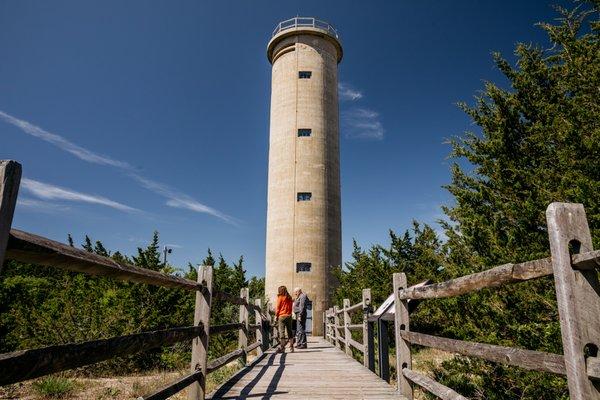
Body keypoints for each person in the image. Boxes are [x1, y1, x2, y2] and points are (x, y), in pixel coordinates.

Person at [275, 285, 294, 353]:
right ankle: (292, 347)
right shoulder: (289, 298)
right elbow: (291, 307)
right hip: (289, 316)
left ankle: (282, 347)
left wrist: (276, 316)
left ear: (280, 291)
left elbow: (278, 308)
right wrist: (290, 313)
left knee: (282, 332)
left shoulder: (280, 297)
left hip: (282, 316)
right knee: (290, 331)